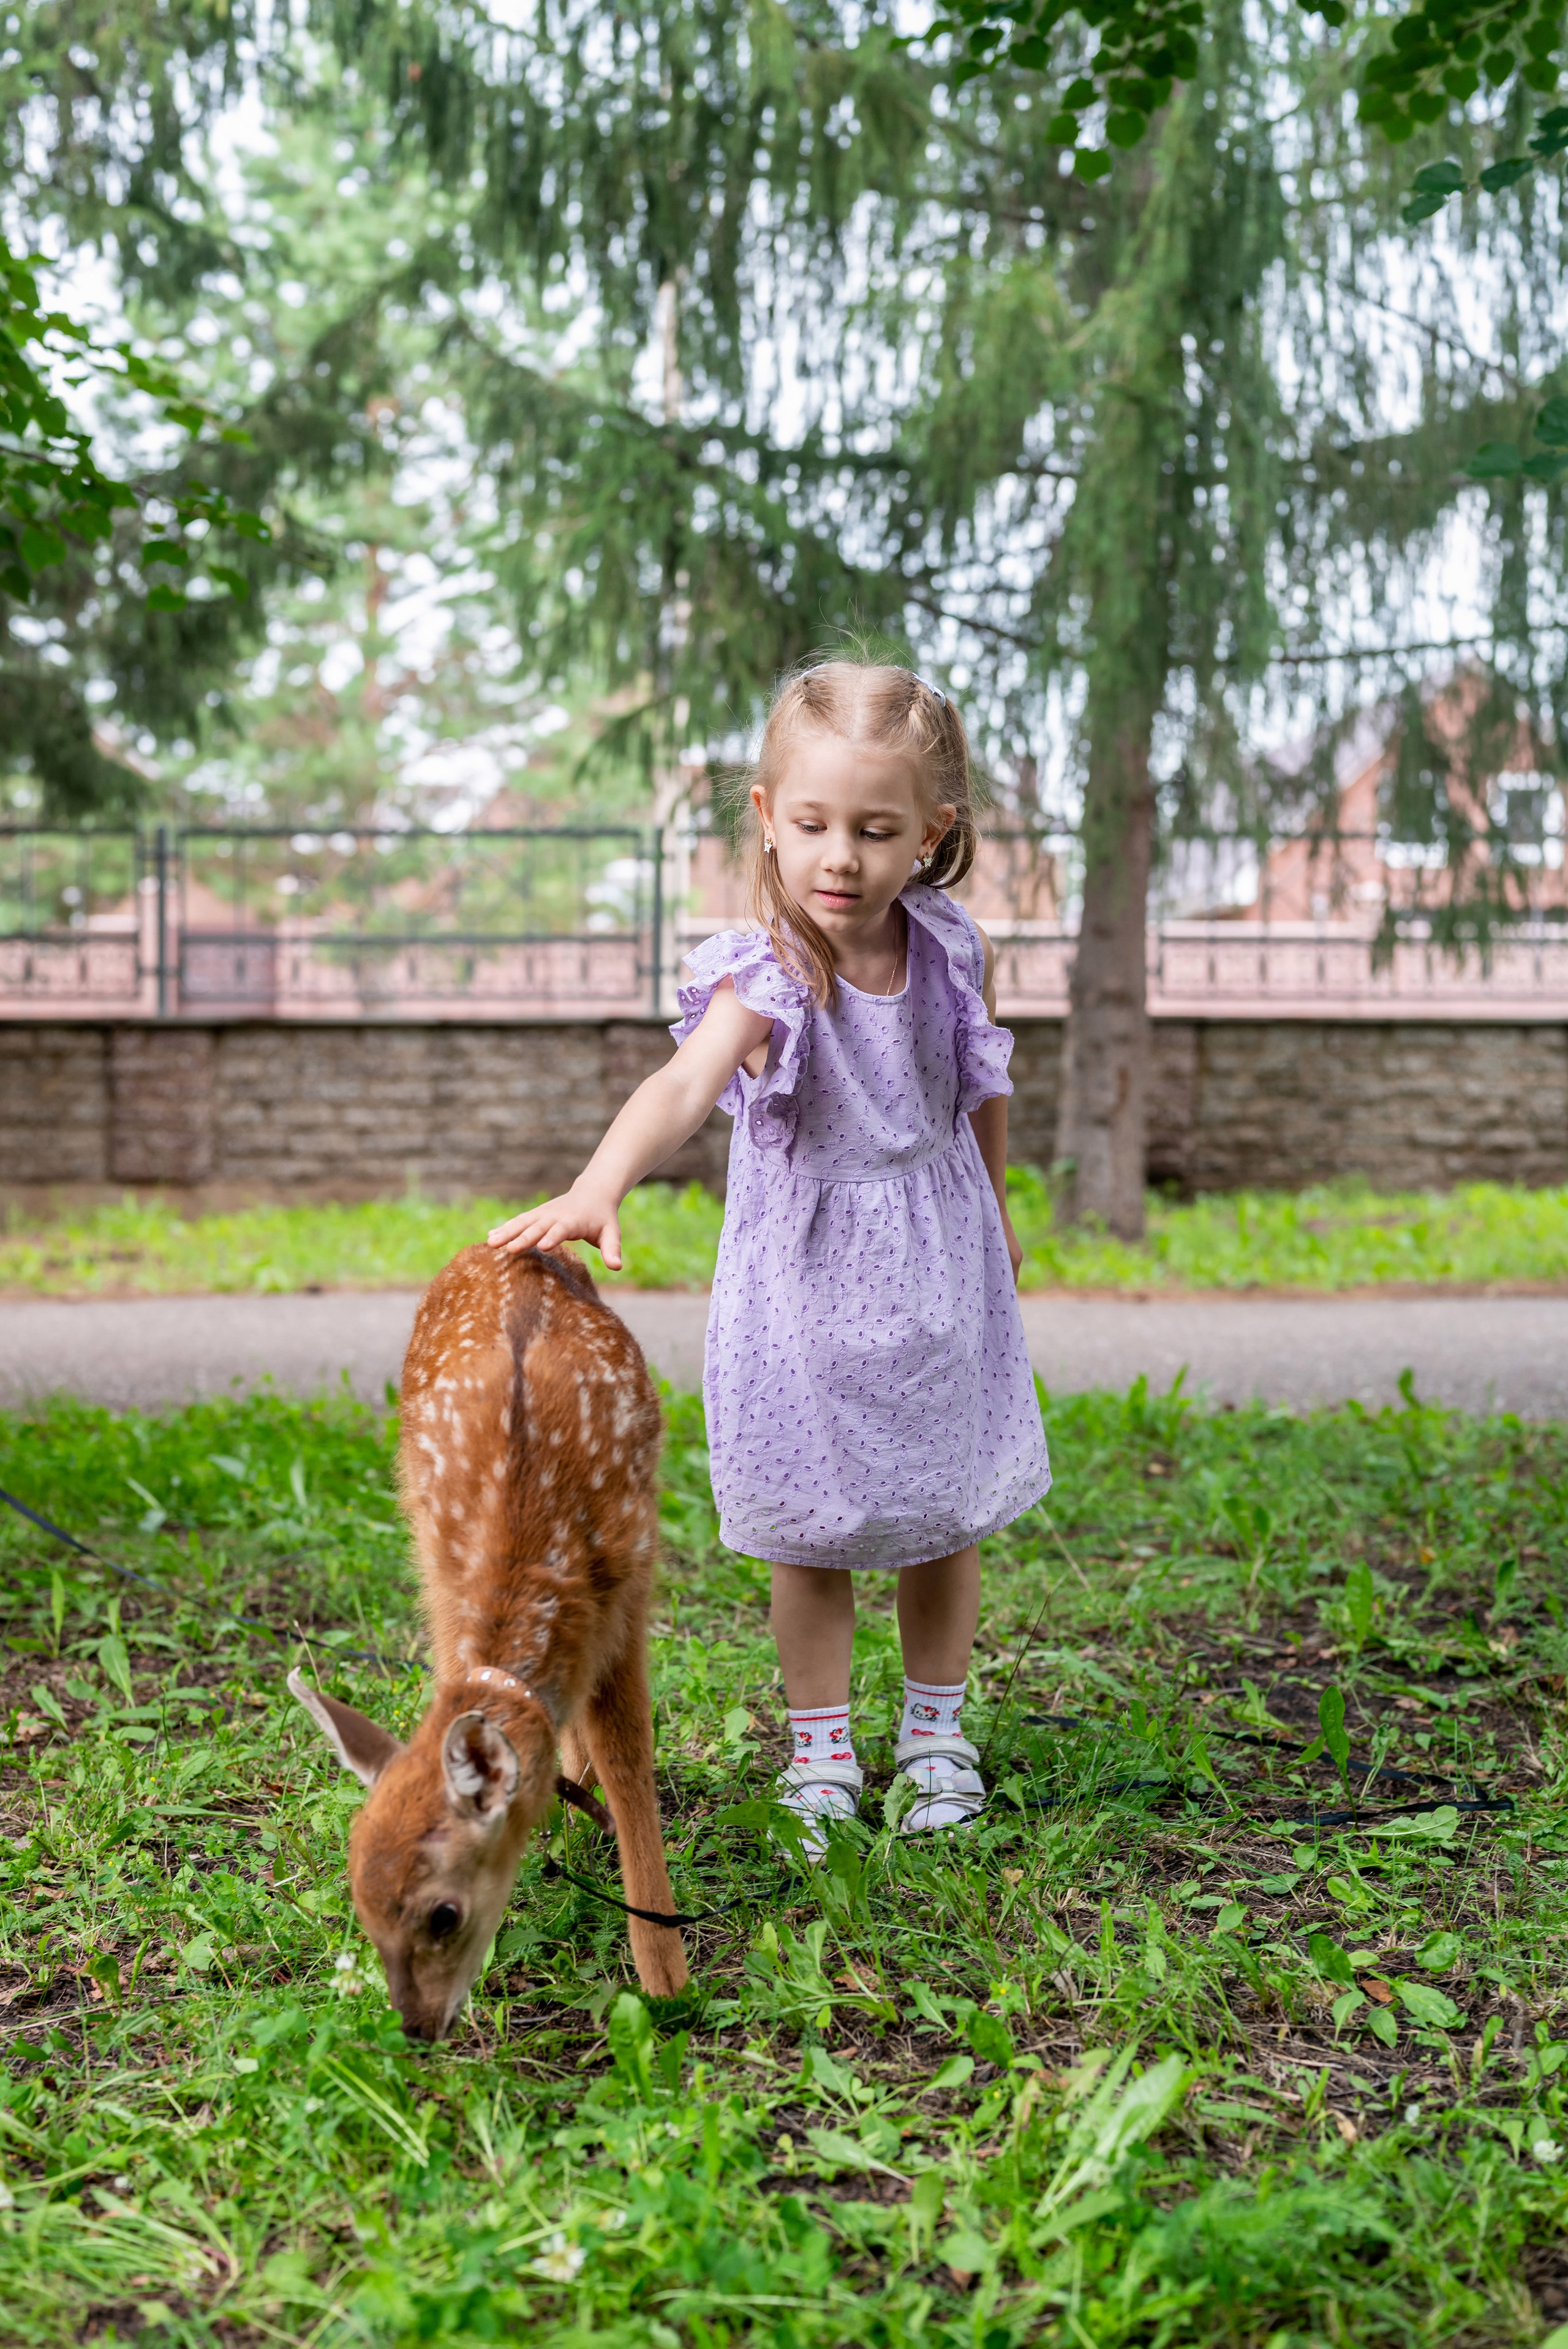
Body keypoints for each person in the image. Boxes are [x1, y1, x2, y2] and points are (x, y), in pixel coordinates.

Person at [488, 660, 1050, 1852]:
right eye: (812, 825)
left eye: (874, 828)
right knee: (817, 1522)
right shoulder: (765, 972)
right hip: (804, 1285)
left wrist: (996, 1206)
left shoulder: (948, 945)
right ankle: (821, 1749)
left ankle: (937, 1734)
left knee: (943, 1509)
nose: (838, 855)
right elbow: (683, 1081)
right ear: (766, 819)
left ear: (930, 835)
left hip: (937, 1260)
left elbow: (978, 1079)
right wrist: (601, 1181)